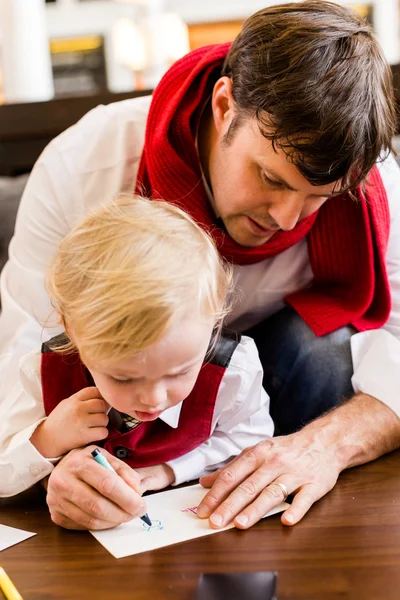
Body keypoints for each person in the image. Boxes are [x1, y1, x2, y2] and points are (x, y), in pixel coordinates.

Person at [0, 0, 399, 530]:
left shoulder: (374, 186)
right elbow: (27, 361)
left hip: (285, 410)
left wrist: (325, 445)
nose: (286, 219)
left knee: (323, 348)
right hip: (123, 429)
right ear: (223, 106)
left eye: (316, 198)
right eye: (272, 179)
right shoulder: (84, 164)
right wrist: (59, 469)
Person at [0, 196, 273, 530]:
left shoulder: (232, 373)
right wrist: (47, 439)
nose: (153, 399)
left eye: (179, 371)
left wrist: (169, 471)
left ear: (213, 320)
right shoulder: (41, 374)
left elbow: (252, 442)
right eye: (124, 378)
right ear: (74, 332)